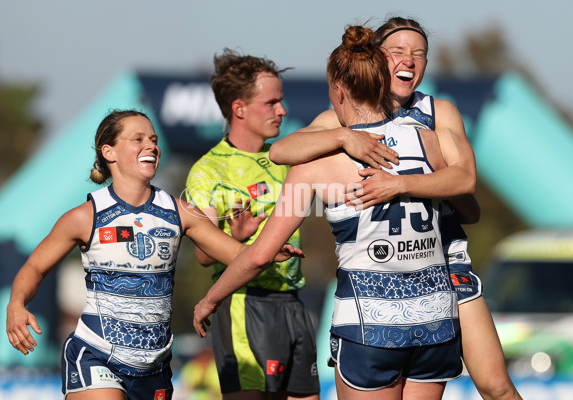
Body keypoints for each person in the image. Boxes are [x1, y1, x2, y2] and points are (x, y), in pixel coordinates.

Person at [194, 25, 465, 400]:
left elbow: (260, 254)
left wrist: (210, 299)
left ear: (338, 91)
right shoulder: (428, 138)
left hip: (370, 327)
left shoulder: (315, 166)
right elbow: (467, 202)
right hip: (436, 321)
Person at [268, 17, 521, 400]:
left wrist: (401, 183)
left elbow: (467, 191)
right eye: (398, 51)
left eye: (420, 54)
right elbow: (282, 150)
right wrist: (342, 136)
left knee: (496, 385)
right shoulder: (345, 115)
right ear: (375, 58)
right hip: (380, 289)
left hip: (446, 268)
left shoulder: (438, 113)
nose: (410, 60)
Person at [5, 109, 302, 400]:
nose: (151, 146)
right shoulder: (85, 216)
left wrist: (268, 249)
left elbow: (238, 255)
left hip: (154, 367)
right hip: (96, 355)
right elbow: (34, 267)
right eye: (138, 139)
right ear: (109, 152)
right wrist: (17, 303)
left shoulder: (180, 211)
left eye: (154, 139)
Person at [184, 49, 320, 400]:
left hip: (294, 302)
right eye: (271, 102)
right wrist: (234, 236)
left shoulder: (287, 157)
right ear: (239, 108)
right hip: (245, 303)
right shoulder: (209, 169)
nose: (282, 111)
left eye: (282, 101)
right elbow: (202, 255)